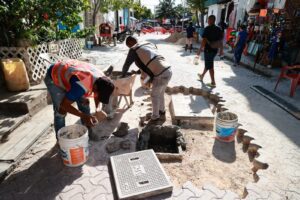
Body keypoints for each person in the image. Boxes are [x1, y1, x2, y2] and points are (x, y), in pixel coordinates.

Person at [44, 59, 115, 141]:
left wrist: (97, 109)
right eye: (99, 94)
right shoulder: (82, 86)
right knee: (60, 112)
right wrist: (84, 116)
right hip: (54, 76)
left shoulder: (102, 79)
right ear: (95, 87)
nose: (97, 96)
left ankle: (88, 133)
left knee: (85, 105)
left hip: (72, 77)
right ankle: (61, 141)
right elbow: (64, 105)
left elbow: (97, 95)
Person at [122, 36, 172, 122]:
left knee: (154, 95)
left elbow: (126, 65)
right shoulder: (147, 44)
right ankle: (162, 112)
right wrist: (137, 72)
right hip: (168, 70)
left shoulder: (134, 49)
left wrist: (122, 76)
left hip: (160, 73)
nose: (129, 48)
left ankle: (155, 117)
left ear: (130, 43)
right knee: (160, 94)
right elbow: (149, 61)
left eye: (128, 46)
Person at [196, 15, 223, 88]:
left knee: (210, 66)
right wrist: (221, 50)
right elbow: (220, 40)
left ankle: (213, 82)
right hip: (215, 50)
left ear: (211, 20)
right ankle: (202, 76)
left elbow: (204, 40)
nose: (207, 21)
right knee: (209, 63)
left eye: (208, 20)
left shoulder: (207, 29)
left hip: (208, 50)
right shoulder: (219, 29)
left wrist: (200, 49)